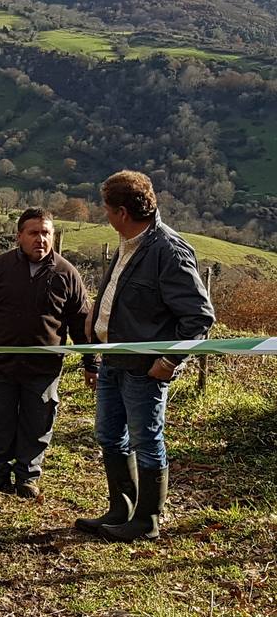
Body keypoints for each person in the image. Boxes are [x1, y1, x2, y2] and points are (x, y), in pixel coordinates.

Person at [75, 171, 214, 542]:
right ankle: (121, 508)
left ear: (121, 211)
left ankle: (147, 520)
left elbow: (199, 317)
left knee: (146, 440)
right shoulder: (128, 242)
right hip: (112, 360)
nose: (103, 214)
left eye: (106, 208)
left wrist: (169, 362)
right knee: (109, 435)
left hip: (144, 369)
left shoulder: (168, 251)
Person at [0, 208, 90, 497]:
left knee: (37, 423)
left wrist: (91, 363)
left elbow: (82, 324)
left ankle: (28, 476)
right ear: (19, 236)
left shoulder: (67, 274)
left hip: (43, 369)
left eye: (46, 233)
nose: (40, 239)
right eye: (33, 233)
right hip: (0, 365)